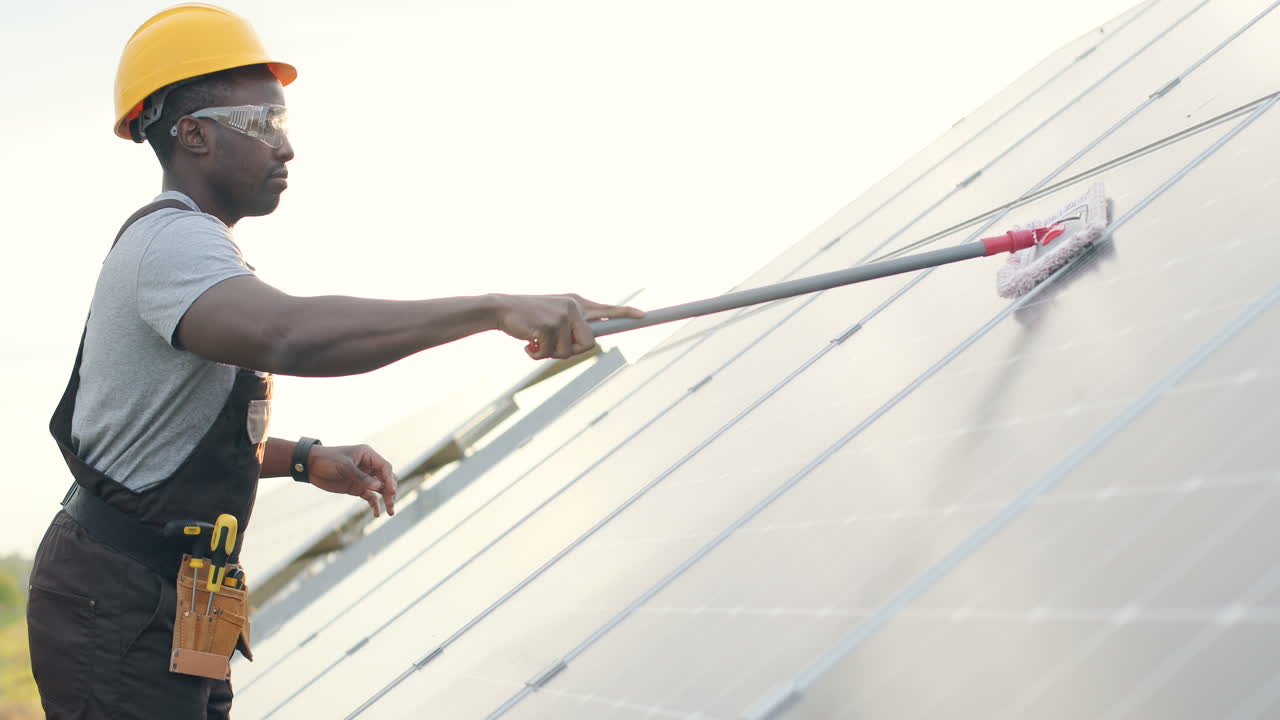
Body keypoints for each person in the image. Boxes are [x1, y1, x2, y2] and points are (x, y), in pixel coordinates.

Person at [25, 4, 643, 719]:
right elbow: (293, 335)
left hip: (189, 594)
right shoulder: (173, 247)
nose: (285, 149)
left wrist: (301, 458)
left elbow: (159, 440)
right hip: (121, 598)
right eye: (264, 123)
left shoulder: (197, 254)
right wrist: (492, 308)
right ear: (192, 135)